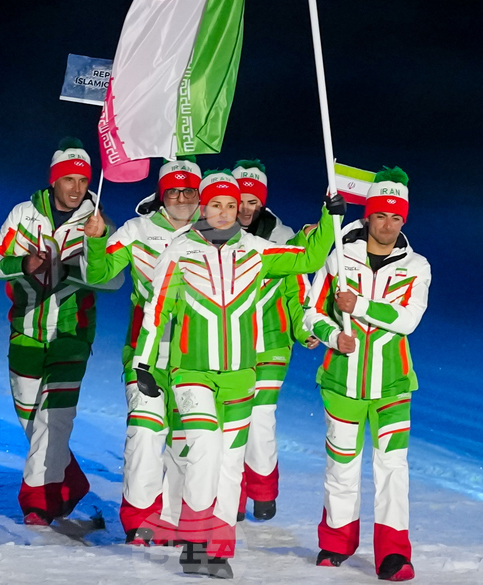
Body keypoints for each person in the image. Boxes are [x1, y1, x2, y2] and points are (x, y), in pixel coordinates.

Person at [132, 170, 346, 578]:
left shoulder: (257, 251)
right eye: (216, 205)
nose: (225, 213)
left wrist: (328, 217)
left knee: (230, 465)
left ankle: (216, 549)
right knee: (205, 453)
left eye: (232, 206)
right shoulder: (180, 250)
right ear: (203, 206)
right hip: (191, 371)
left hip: (239, 376)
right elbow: (158, 309)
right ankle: (194, 539)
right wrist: (145, 363)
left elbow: (308, 258)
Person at [0, 138, 119, 526]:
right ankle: (69, 483)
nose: (77, 188)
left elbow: (113, 281)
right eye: (69, 179)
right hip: (25, 332)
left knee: (53, 420)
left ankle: (38, 506)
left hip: (72, 335)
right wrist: (24, 263)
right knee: (32, 421)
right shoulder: (24, 215)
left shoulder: (98, 222)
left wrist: (97, 242)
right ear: (53, 180)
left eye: (83, 180)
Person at [303, 167, 430, 581]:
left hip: (393, 384)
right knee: (340, 468)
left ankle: (394, 554)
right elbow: (311, 314)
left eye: (396, 217)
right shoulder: (339, 255)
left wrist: (357, 306)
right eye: (381, 216)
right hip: (342, 382)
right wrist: (330, 335)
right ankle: (336, 542)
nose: (388, 225)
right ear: (369, 215)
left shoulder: (417, 266)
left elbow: (408, 320)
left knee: (393, 468)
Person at [81, 157, 203, 545]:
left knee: (187, 443)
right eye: (174, 190)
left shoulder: (216, 233)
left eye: (189, 190)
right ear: (161, 194)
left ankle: (176, 519)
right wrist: (97, 241)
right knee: (145, 436)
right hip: (145, 352)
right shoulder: (138, 230)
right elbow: (98, 275)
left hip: (198, 357)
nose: (182, 198)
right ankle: (140, 521)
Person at [231, 160, 318, 522]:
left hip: (271, 340)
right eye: (241, 200)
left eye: (254, 202)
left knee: (260, 416)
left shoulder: (283, 239)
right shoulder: (217, 234)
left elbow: (297, 290)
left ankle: (263, 491)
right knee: (232, 420)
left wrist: (303, 328)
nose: (247, 209)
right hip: (229, 342)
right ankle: (231, 496)